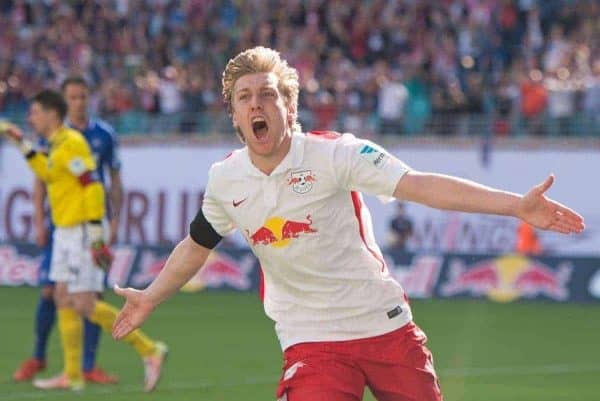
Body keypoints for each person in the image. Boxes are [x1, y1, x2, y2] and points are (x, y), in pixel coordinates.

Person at [110, 47, 584, 401]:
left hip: (383, 325)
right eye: (244, 98)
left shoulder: (337, 154)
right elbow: (197, 243)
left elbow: (421, 186)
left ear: (289, 108)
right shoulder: (225, 179)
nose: (256, 105)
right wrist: (151, 295)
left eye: (268, 95)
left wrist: (516, 206)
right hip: (310, 339)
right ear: (233, 114)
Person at [0, 90, 167, 392]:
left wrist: (95, 237)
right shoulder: (57, 145)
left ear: (52, 113)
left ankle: (149, 350)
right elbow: (48, 173)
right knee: (63, 297)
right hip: (63, 232)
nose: (31, 118)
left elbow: (91, 186)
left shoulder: (73, 144)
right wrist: (21, 142)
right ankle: (73, 375)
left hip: (81, 232)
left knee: (85, 304)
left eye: (35, 112)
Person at [12, 76, 123, 384]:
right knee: (53, 290)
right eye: (73, 97)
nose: (79, 102)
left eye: (83, 96)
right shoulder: (54, 136)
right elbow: (42, 176)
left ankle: (86, 366)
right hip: (61, 223)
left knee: (87, 295)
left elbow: (109, 181)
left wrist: (112, 222)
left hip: (86, 223)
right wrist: (38, 218)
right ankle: (40, 357)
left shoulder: (102, 135)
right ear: (63, 103)